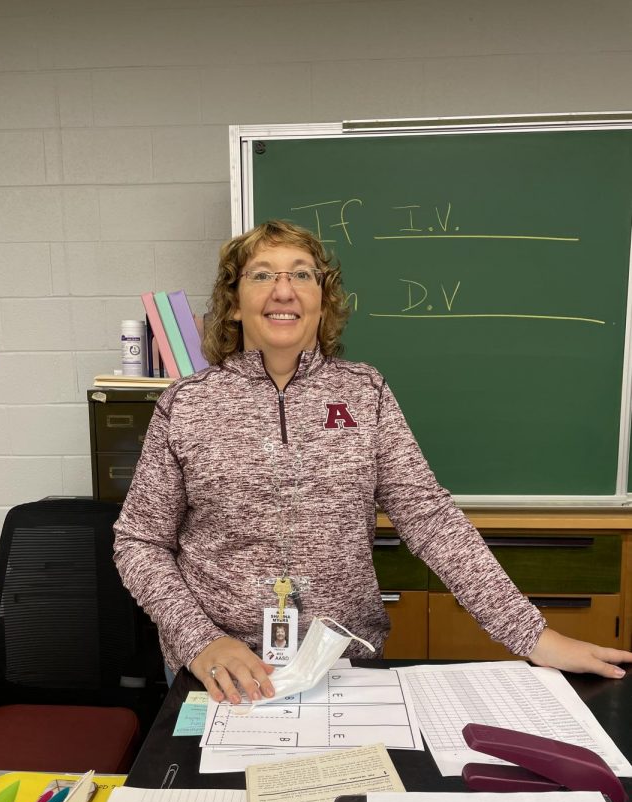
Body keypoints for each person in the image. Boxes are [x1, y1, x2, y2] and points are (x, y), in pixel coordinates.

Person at [113, 219, 632, 706]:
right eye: (263, 275)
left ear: (322, 298)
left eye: (301, 274)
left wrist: (532, 634)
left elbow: (430, 520)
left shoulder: (364, 393)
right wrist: (199, 640)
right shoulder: (186, 403)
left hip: (343, 666)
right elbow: (140, 541)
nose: (283, 289)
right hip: (219, 672)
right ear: (233, 302)